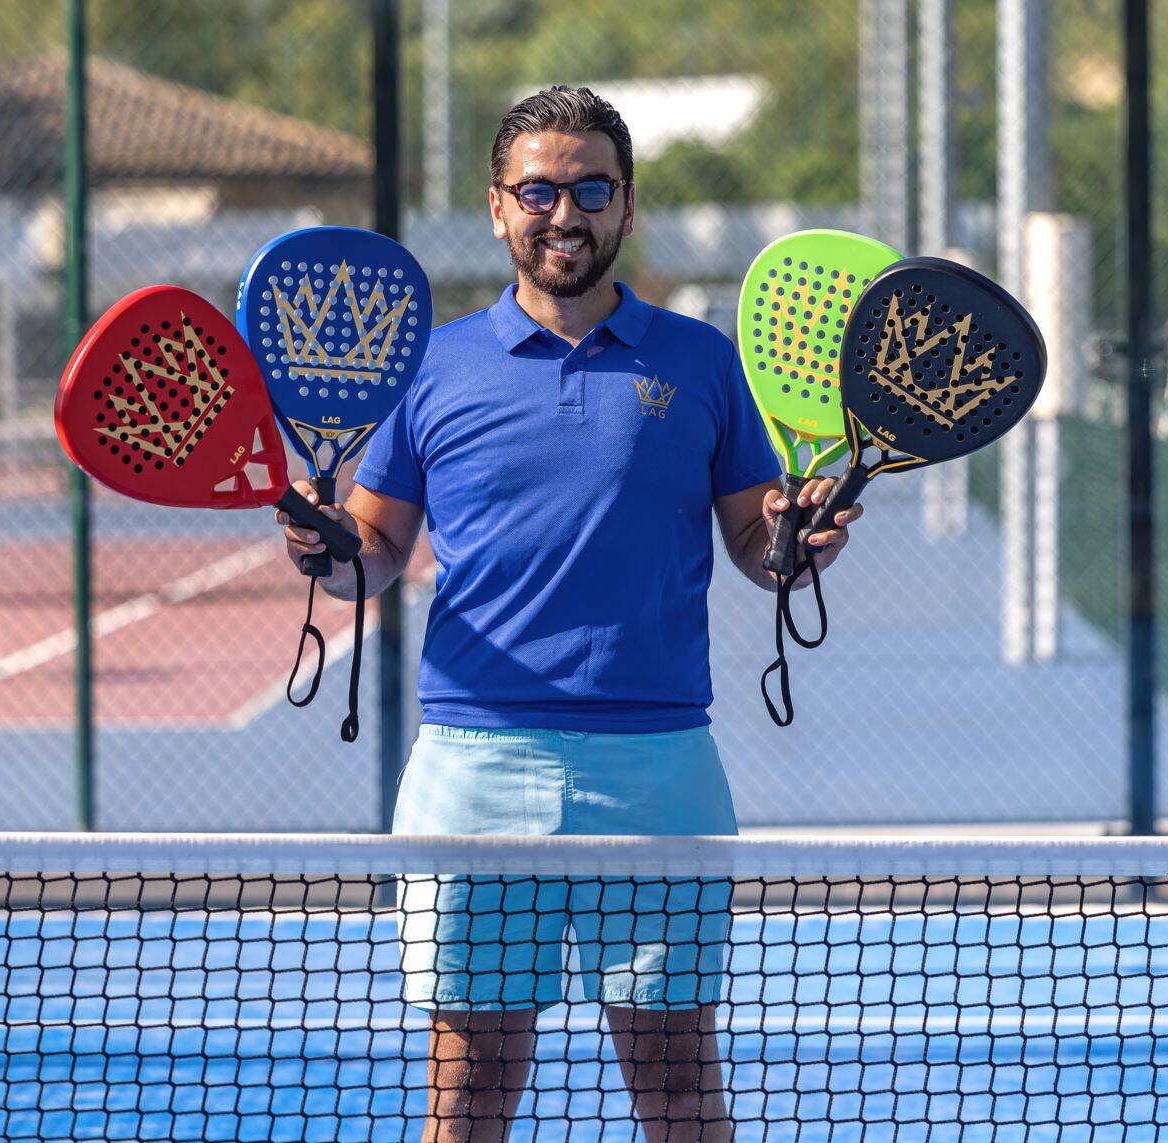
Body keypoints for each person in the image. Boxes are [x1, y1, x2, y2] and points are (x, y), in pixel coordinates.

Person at [278, 86, 862, 1143]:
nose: (564, 212)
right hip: (474, 768)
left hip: (658, 766)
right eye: (538, 190)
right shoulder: (431, 369)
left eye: (590, 188)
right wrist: (326, 557)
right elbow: (369, 556)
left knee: (680, 1096)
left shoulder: (701, 362)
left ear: (626, 207)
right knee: (468, 1102)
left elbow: (754, 543)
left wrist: (795, 547)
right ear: (497, 208)